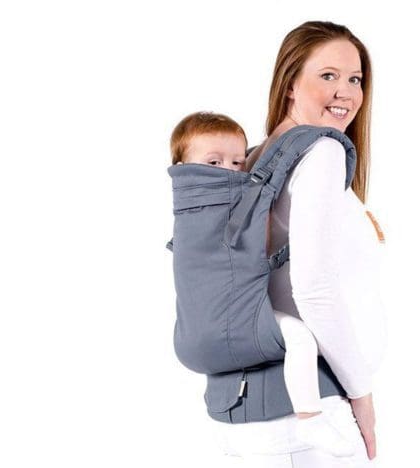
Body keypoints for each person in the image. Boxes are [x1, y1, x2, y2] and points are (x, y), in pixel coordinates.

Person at [211, 21, 388, 467]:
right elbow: (312, 288)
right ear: (290, 83)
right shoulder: (322, 153)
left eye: (355, 79)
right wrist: (362, 396)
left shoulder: (255, 159)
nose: (345, 92)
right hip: (311, 416)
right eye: (327, 75)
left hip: (252, 418)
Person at [169, 111, 360, 457]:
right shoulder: (204, 213)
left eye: (237, 162)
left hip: (209, 339)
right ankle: (310, 416)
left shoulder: (193, 212)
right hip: (232, 325)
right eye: (214, 161)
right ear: (183, 168)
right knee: (301, 337)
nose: (229, 170)